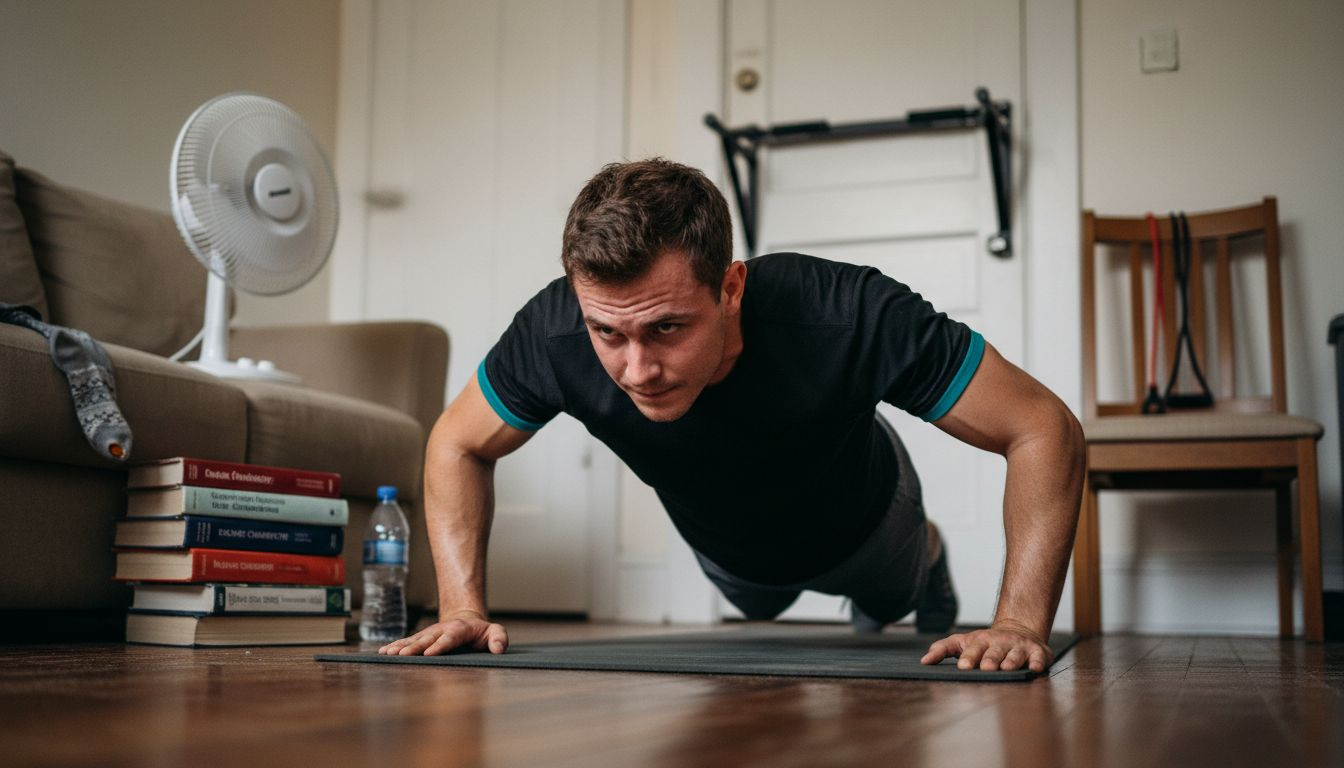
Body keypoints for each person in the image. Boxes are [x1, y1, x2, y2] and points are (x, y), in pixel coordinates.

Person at [378, 158, 1084, 673]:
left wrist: (1020, 623)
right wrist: (462, 607)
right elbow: (456, 443)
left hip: (867, 520)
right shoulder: (553, 332)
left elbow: (1042, 427)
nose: (637, 370)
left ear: (732, 287)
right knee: (759, 609)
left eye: (666, 328)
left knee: (888, 600)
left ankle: (927, 553)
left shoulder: (845, 312)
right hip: (734, 555)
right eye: (608, 333)